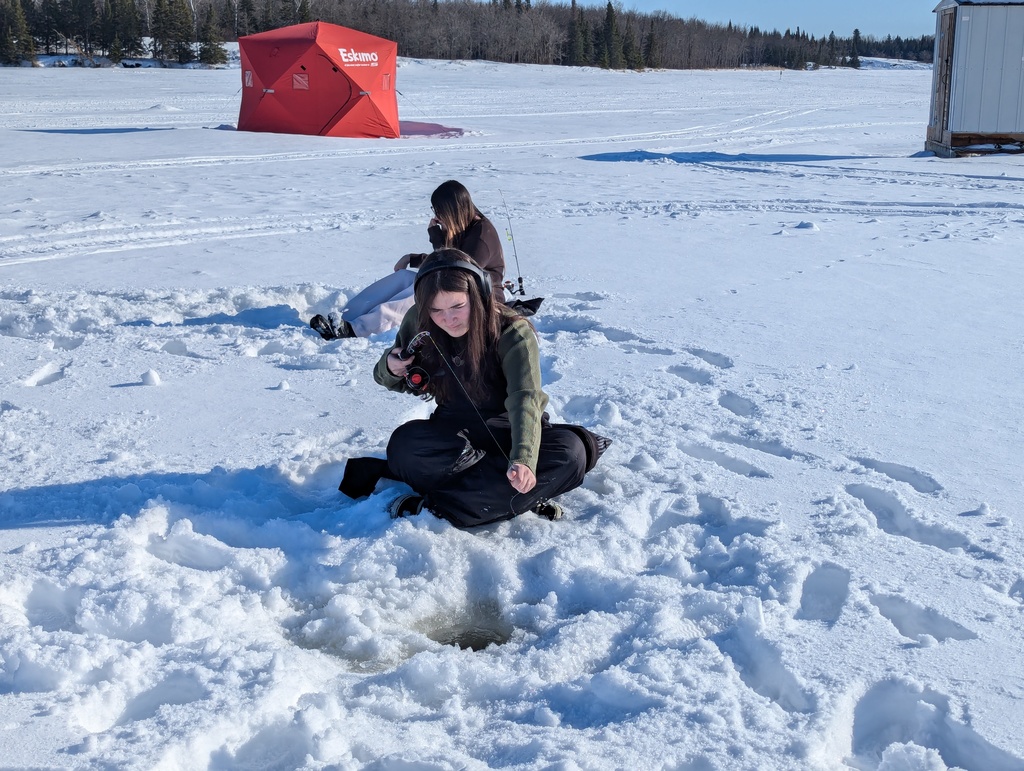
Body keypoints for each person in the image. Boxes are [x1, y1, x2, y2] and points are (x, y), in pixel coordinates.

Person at [371, 249, 609, 527]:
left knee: (571, 454)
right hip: (455, 434)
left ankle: (436, 508)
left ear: (479, 293)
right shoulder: (418, 320)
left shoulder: (512, 331)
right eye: (437, 309)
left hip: (511, 430)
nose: (448, 318)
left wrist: (523, 459)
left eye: (458, 306)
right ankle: (512, 496)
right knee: (404, 446)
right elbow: (391, 374)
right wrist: (390, 367)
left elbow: (525, 400)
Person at [310, 180, 506, 340]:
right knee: (404, 277)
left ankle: (357, 329)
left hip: (482, 299)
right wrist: (412, 259)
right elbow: (447, 261)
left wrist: (436, 238)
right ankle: (346, 316)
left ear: (452, 210)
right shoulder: (464, 227)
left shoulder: (481, 236)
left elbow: (453, 271)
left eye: (439, 212)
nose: (436, 216)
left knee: (425, 288)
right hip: (458, 289)